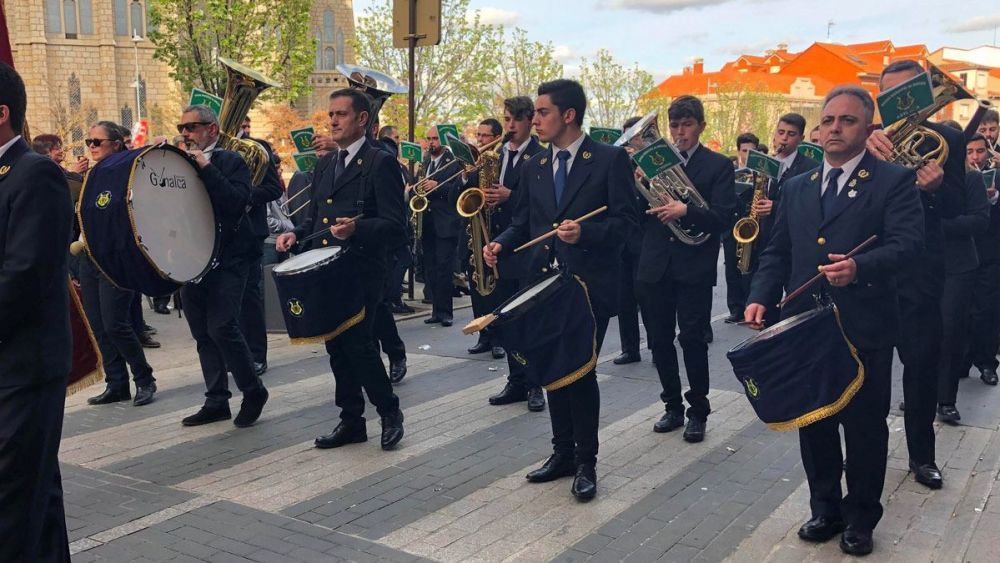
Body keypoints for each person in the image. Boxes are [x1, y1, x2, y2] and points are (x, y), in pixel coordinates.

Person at [746, 85, 924, 556]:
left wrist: (860, 267)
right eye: (828, 120)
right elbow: (778, 250)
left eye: (846, 120)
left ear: (867, 128)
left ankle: (861, 517)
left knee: (864, 427)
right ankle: (825, 508)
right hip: (806, 326)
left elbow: (909, 245)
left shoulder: (892, 180)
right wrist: (761, 296)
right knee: (816, 421)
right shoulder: (799, 185)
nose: (834, 128)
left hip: (864, 325)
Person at [484, 79, 638, 500]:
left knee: (580, 371)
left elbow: (626, 225)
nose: (534, 120)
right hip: (545, 285)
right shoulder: (535, 165)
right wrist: (502, 242)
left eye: (543, 112)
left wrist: (584, 233)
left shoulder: (608, 160)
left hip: (588, 288)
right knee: (554, 369)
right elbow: (525, 220)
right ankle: (561, 454)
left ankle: (586, 462)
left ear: (568, 115)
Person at [276, 88, 406, 451]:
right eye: (330, 114)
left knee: (360, 345)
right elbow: (315, 220)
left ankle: (389, 412)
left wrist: (357, 228)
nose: (332, 121)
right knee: (336, 347)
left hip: (363, 270)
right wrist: (294, 234)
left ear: (362, 120)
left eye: (341, 114)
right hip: (327, 271)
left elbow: (398, 226)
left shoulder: (380, 163)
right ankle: (351, 421)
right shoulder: (325, 164)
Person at [867, 60, 964, 490]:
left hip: (921, 274)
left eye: (912, 95)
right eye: (893, 97)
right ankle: (867, 452)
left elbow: (960, 206)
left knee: (921, 369)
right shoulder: (866, 138)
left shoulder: (948, 139)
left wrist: (938, 187)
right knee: (869, 370)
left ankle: (922, 457)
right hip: (872, 271)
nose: (903, 107)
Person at [0, 62, 73, 563]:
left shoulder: (35, 173)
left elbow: (23, 275)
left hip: (24, 364)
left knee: (11, 500)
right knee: (36, 491)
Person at [637, 95, 736, 442]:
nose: (680, 133)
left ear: (701, 127)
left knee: (692, 339)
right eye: (675, 125)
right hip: (655, 266)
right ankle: (672, 407)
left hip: (693, 266)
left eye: (687, 125)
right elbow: (636, 213)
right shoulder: (654, 163)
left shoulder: (718, 166)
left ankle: (698, 410)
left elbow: (723, 217)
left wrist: (686, 212)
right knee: (659, 340)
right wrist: (639, 186)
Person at [177, 105, 269, 428]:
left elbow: (234, 204)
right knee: (202, 331)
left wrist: (205, 166)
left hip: (231, 256)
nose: (185, 133)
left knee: (222, 326)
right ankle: (216, 399)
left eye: (192, 127)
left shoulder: (232, 161)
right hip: (193, 258)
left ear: (212, 130)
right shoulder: (178, 163)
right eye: (182, 127)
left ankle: (253, 390)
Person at [77, 121, 158, 407]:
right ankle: (117, 383)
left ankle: (144, 379)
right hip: (88, 256)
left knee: (115, 324)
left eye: (97, 142)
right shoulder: (89, 175)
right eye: (89, 142)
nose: (92, 147)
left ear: (116, 144)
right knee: (98, 326)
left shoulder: (127, 171)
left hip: (116, 257)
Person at [480, 97, 547, 411]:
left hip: (528, 248)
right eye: (506, 119)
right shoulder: (495, 154)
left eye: (516, 120)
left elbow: (543, 204)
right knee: (505, 317)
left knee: (530, 319)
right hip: (499, 245)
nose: (509, 126)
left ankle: (535, 384)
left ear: (529, 121)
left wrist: (509, 195)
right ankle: (516, 380)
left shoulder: (541, 156)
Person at [937, 122, 989, 426]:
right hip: (924, 266)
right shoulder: (920, 176)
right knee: (921, 334)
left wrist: (935, 227)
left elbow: (979, 221)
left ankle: (946, 399)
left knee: (949, 333)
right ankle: (922, 391)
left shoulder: (971, 178)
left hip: (958, 266)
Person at [238, 121, 284, 377]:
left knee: (248, 296)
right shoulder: (203, 150)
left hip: (248, 233)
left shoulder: (257, 148)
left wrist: (241, 195)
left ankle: (256, 355)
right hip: (216, 234)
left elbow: (273, 189)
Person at [459, 118, 507, 359]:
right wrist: (465, 176)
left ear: (497, 136)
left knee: (496, 288)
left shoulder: (500, 160)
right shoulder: (476, 164)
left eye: (485, 136)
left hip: (496, 231)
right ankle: (484, 335)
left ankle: (499, 337)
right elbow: (460, 197)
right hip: (475, 231)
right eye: (478, 135)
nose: (480, 140)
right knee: (477, 285)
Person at [614, 115, 652, 366]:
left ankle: (657, 345)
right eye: (626, 138)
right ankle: (630, 348)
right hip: (624, 242)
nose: (630, 145)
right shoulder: (618, 166)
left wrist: (647, 178)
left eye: (634, 138)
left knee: (650, 299)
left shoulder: (656, 166)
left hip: (649, 242)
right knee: (624, 298)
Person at [417, 126, 463, 326]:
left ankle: (446, 312)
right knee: (431, 269)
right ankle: (436, 310)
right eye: (429, 139)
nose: (431, 143)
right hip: (427, 222)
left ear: (443, 141)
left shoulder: (453, 162)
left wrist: (438, 186)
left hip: (445, 223)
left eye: (435, 138)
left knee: (444, 269)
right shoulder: (426, 162)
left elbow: (458, 189)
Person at [965, 133, 1000, 385]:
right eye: (970, 152)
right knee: (960, 313)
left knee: (987, 310)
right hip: (964, 255)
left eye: (980, 151)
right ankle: (961, 362)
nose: (976, 157)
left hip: (990, 253)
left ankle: (987, 363)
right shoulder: (959, 178)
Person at [723, 132, 759, 323]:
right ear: (739, 151)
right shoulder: (729, 171)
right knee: (731, 267)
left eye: (751, 151)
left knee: (750, 268)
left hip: (751, 225)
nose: (747, 155)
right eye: (744, 151)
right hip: (732, 225)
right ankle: (735, 308)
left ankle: (750, 305)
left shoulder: (760, 174)